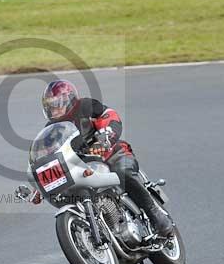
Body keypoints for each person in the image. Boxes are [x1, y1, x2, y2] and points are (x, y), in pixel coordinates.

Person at [32, 79, 174, 237]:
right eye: (49, 104)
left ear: (68, 98)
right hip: (81, 168)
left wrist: (107, 136)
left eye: (57, 102)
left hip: (111, 154)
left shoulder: (85, 106)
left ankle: (154, 213)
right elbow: (49, 156)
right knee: (69, 194)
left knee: (123, 173)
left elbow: (109, 115)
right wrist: (39, 184)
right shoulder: (50, 131)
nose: (53, 108)